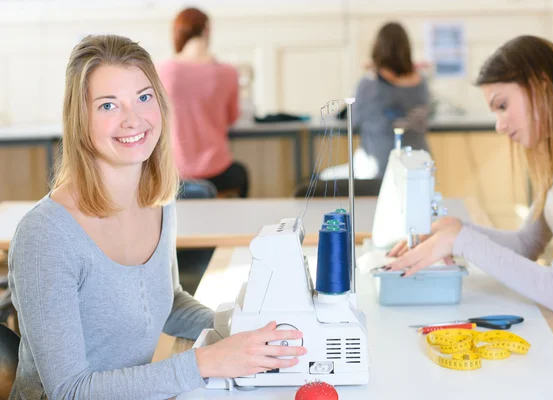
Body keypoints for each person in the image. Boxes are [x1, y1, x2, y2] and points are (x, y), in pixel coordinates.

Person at [7, 34, 305, 399]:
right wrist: (206, 362)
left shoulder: (157, 202)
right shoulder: (46, 236)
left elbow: (167, 301)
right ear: (79, 119)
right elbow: (69, 390)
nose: (133, 119)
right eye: (108, 105)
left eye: (143, 98)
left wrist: (236, 325)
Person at [384, 35, 553, 366]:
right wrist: (456, 229)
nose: (499, 125)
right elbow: (528, 243)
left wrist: (461, 240)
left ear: (541, 86)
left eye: (502, 105)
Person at [320, 21, 430, 181]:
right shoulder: (422, 83)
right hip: (419, 167)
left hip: (378, 168)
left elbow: (354, 121)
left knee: (325, 177)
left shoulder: (369, 84)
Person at [157, 7, 249, 198]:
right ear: (207, 30)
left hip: (175, 173)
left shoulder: (161, 71)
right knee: (242, 174)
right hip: (217, 171)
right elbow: (232, 118)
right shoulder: (228, 72)